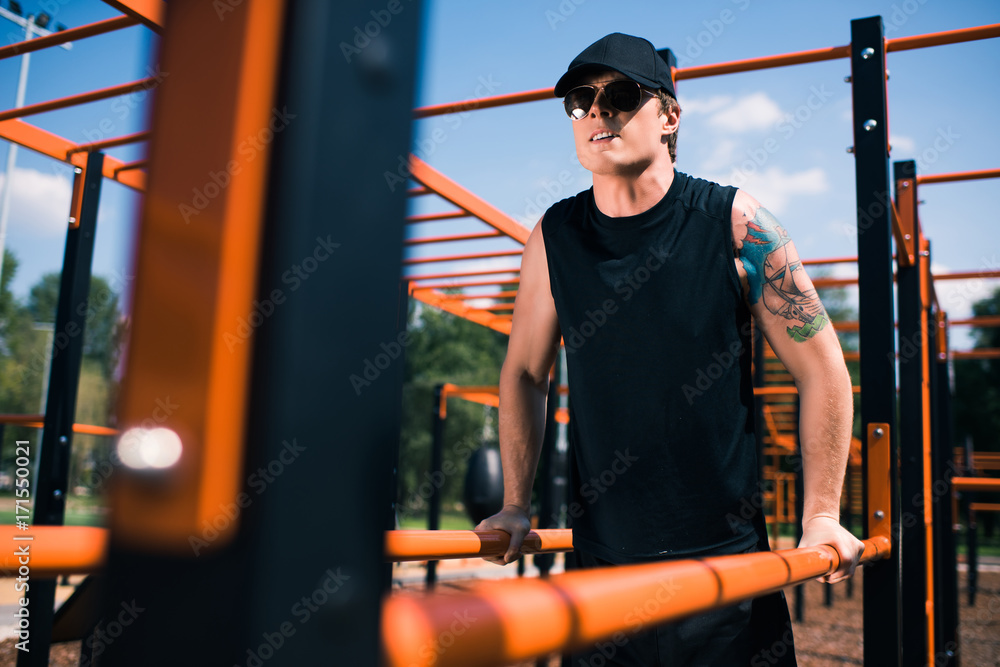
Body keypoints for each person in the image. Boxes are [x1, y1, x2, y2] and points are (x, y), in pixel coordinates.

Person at [473, 33, 866, 666]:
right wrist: (516, 504)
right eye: (581, 100)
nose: (598, 112)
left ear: (670, 116)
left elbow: (822, 371)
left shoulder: (737, 222)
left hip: (725, 578)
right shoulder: (553, 237)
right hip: (602, 579)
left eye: (620, 96)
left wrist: (821, 513)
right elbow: (523, 372)